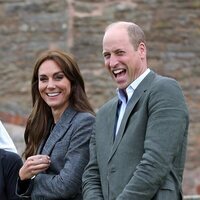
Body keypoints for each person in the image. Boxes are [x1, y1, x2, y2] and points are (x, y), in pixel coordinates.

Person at [82, 21, 189, 200]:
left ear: (141, 50)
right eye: (107, 55)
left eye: (119, 53)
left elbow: (155, 164)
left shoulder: (164, 90)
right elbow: (92, 174)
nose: (112, 62)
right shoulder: (103, 113)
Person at [16, 49, 95, 200]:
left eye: (58, 77)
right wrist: (22, 177)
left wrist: (29, 178)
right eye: (44, 79)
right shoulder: (40, 124)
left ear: (72, 82)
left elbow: (67, 185)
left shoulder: (84, 123)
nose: (50, 85)